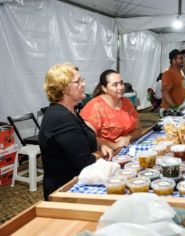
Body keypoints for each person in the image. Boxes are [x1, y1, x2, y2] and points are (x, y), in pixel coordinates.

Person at [39, 63, 113, 201]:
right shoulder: (60, 117)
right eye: (78, 81)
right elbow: (85, 161)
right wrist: (100, 154)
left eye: (82, 80)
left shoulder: (70, 111)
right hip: (64, 191)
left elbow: (85, 134)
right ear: (63, 88)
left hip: (77, 183)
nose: (83, 84)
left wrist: (100, 145)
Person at [80, 69, 142, 151]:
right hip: (105, 155)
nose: (121, 87)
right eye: (115, 85)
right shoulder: (95, 107)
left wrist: (128, 137)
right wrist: (114, 145)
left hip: (127, 150)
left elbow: (139, 129)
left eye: (121, 83)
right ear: (104, 88)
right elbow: (87, 137)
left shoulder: (127, 102)